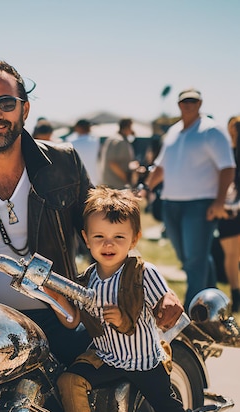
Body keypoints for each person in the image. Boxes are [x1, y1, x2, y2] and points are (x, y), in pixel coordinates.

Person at [0, 56, 182, 368]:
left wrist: (158, 289)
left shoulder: (63, 164)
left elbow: (110, 229)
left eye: (6, 102)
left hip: (55, 317)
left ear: (25, 109)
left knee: (82, 399)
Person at [50, 187, 204, 412]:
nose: (108, 244)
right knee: (68, 381)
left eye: (118, 237)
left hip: (142, 359)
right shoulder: (87, 281)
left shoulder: (142, 273)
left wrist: (167, 303)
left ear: (134, 239)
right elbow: (72, 320)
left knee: (165, 402)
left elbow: (164, 299)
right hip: (106, 357)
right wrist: (53, 296)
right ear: (86, 238)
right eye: (99, 237)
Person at [144, 89, 236, 308]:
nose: (188, 104)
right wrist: (144, 187)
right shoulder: (174, 132)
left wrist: (219, 202)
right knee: (190, 259)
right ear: (178, 104)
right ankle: (213, 303)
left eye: (193, 100)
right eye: (185, 100)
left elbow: (228, 167)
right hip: (170, 204)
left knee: (194, 261)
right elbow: (161, 167)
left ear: (200, 103)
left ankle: (189, 317)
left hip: (200, 204)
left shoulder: (212, 131)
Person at [217, 115, 240, 312]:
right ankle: (236, 295)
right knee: (233, 256)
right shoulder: (226, 153)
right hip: (229, 210)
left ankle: (236, 294)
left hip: (229, 210)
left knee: (232, 256)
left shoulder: (226, 154)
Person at [98, 118, 138, 189]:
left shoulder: (112, 139)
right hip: (116, 186)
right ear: (128, 127)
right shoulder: (119, 141)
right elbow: (112, 163)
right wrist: (126, 179)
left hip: (111, 184)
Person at [66, 119, 100, 185]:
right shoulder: (96, 141)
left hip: (78, 180)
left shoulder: (71, 143)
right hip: (95, 179)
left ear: (77, 128)